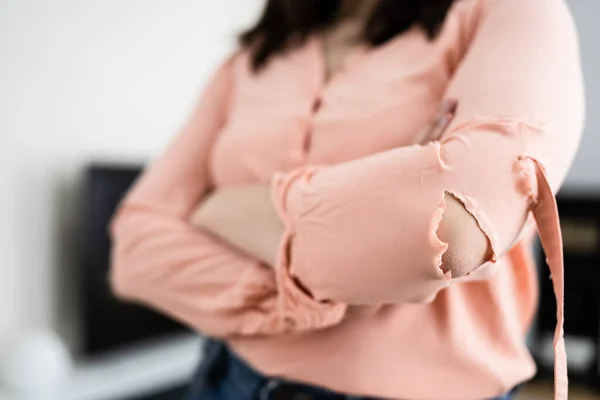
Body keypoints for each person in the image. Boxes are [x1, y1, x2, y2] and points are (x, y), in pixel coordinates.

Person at [109, 0, 584, 399]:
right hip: (229, 380)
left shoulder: (513, 12)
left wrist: (222, 210)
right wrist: (314, 297)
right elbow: (135, 246)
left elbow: (452, 230)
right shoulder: (249, 59)